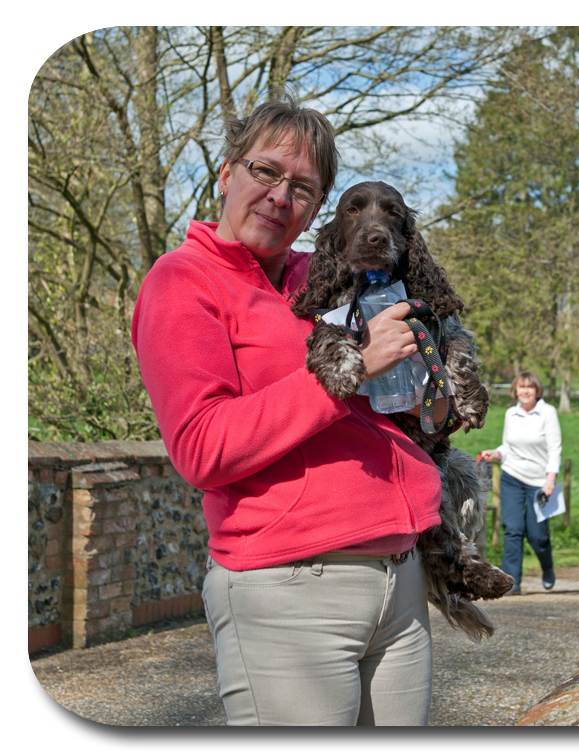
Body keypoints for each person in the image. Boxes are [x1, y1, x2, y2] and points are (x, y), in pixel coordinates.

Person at [131, 93, 446, 726]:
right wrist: (355, 366)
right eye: (265, 171)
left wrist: (438, 384)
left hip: (399, 580)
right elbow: (202, 447)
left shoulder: (329, 278)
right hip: (291, 588)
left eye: (303, 188)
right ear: (226, 173)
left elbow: (411, 379)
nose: (280, 196)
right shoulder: (182, 281)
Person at [479, 371, 562, 595]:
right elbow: (508, 447)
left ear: (537, 391)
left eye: (530, 387)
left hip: (539, 483)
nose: (525, 391)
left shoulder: (547, 413)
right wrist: (496, 453)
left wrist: (550, 480)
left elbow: (555, 449)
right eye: (521, 387)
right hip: (512, 477)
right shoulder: (511, 414)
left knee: (538, 536)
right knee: (513, 529)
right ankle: (511, 582)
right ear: (515, 390)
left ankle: (547, 567)